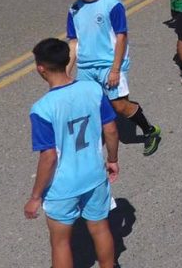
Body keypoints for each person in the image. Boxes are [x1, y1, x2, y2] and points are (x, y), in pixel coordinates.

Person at [26, 38, 120, 268]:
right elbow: (111, 130)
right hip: (94, 175)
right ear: (68, 60)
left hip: (63, 186)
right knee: (100, 228)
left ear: (41, 69)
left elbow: (49, 156)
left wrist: (35, 197)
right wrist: (112, 160)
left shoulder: (42, 108)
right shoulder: (93, 90)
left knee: (60, 243)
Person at [64, 0, 162, 155]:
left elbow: (121, 37)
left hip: (109, 65)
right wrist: (66, 71)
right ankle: (90, 144)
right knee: (87, 104)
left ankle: (150, 130)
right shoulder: (74, 9)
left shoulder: (111, 4)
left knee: (120, 106)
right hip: (86, 67)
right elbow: (74, 41)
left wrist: (115, 70)